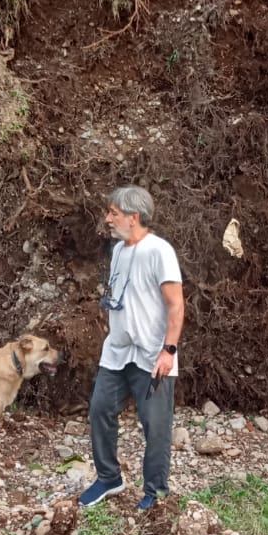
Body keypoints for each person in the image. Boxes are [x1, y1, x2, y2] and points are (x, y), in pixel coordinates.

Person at [77, 185, 185, 511]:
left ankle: (155, 492)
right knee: (100, 409)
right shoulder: (120, 251)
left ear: (133, 217)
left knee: (155, 424)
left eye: (114, 213)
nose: (107, 219)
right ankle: (109, 478)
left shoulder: (159, 251)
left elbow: (176, 305)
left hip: (152, 354)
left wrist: (169, 351)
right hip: (118, 350)